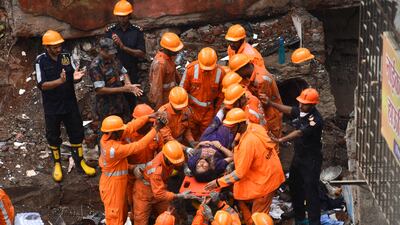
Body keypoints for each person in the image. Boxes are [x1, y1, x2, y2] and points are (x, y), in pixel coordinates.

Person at [205, 108, 285, 225]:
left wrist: (217, 182)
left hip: (266, 183)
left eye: (232, 127)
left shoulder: (248, 143)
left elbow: (239, 173)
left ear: (240, 124)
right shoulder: (254, 127)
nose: (230, 130)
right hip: (268, 170)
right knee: (240, 197)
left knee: (257, 219)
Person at [35, 30, 95, 182]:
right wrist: (59, 82)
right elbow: (42, 85)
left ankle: (80, 161)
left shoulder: (66, 56)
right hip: (52, 106)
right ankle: (57, 164)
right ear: (47, 47)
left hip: (69, 103)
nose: (58, 49)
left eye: (59, 45)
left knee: (76, 132)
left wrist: (76, 78)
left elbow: (70, 76)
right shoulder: (40, 61)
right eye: (54, 47)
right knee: (53, 135)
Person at [260, 88, 323, 225]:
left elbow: (299, 133)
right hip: (299, 157)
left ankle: (314, 221)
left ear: (313, 105)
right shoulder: (301, 110)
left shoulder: (315, 120)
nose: (300, 106)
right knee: (294, 185)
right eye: (300, 103)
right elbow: (289, 110)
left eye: (304, 104)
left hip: (311, 160)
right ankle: (299, 215)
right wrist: (271, 103)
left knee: (311, 192)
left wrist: (281, 140)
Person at [99, 114, 166, 225]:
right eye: (120, 130)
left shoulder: (108, 137)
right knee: (115, 218)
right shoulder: (114, 150)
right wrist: (156, 129)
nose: (123, 132)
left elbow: (130, 127)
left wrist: (148, 117)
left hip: (116, 183)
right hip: (112, 187)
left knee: (122, 214)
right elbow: (140, 145)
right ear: (113, 132)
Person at [133, 140, 197, 225]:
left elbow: (177, 157)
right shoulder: (156, 170)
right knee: (140, 221)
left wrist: (185, 167)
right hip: (144, 193)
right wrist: (179, 195)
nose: (175, 164)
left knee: (171, 216)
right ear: (166, 157)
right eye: (173, 162)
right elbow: (159, 194)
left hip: (159, 187)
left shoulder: (170, 153)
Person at [123, 104, 164, 222]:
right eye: (148, 123)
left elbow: (162, 153)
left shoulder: (155, 133)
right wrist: (133, 168)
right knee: (135, 207)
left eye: (152, 122)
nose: (151, 125)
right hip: (131, 178)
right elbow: (118, 162)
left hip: (150, 177)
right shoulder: (126, 136)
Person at [229, 53, 283, 139]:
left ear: (243, 68)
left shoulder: (261, 80)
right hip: (264, 106)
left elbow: (263, 102)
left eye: (237, 72)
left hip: (271, 110)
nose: (237, 75)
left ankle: (276, 149)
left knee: (272, 136)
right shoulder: (250, 73)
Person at [89, 38, 142, 123]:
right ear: (101, 50)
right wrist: (123, 89)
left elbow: (123, 71)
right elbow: (100, 90)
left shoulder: (113, 58)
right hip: (107, 106)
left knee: (126, 126)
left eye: (113, 52)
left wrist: (128, 83)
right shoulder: (95, 66)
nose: (112, 55)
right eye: (109, 53)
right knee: (111, 132)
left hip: (120, 102)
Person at [106, 0, 146, 113]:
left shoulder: (137, 31)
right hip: (113, 73)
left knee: (131, 102)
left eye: (124, 16)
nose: (122, 19)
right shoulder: (111, 31)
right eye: (119, 16)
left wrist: (123, 47)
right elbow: (105, 52)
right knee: (114, 103)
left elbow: (142, 53)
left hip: (131, 71)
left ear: (129, 15)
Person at [180, 47, 225, 139]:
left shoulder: (220, 73)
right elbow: (181, 91)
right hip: (191, 109)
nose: (207, 70)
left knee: (206, 136)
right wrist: (184, 110)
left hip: (208, 111)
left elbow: (221, 96)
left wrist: (216, 113)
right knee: (190, 134)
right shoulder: (191, 70)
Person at [149, 32, 184, 109]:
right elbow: (157, 89)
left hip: (169, 97)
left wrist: (182, 88)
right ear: (166, 49)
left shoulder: (169, 57)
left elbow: (174, 72)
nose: (177, 52)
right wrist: (160, 109)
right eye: (175, 50)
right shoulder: (161, 64)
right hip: (163, 100)